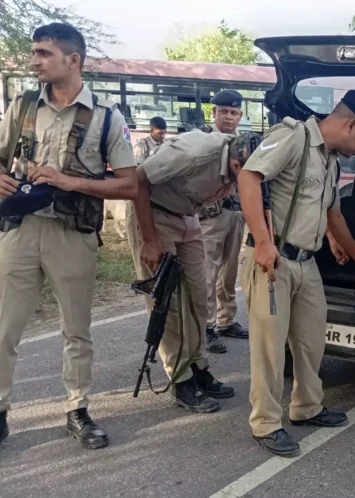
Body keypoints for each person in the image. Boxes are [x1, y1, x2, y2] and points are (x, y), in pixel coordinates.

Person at [0, 23, 138, 449]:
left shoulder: (107, 117)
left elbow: (130, 186)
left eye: (43, 53)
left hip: (72, 235)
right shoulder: (22, 106)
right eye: (34, 53)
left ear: (72, 60)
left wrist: (70, 182)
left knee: (76, 330)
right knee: (4, 328)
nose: (34, 61)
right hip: (21, 230)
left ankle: (77, 410)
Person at [238, 90, 355, 457]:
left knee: (311, 340)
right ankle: (266, 423)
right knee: (270, 348)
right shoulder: (293, 138)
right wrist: (262, 240)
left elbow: (334, 213)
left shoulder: (330, 159)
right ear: (349, 124)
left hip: (307, 263)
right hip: (273, 262)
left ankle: (306, 407)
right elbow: (249, 178)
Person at [126, 130, 250, 413]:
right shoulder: (195, 153)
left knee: (198, 296)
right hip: (154, 215)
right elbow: (138, 182)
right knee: (166, 303)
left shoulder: (239, 163)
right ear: (235, 165)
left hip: (187, 217)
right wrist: (150, 240)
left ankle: (198, 367)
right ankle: (181, 380)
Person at [198, 90, 248, 356]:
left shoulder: (242, 141)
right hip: (210, 216)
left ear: (240, 115)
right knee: (207, 273)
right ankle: (205, 327)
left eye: (234, 112)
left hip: (235, 213)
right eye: (224, 112)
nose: (229, 116)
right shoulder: (203, 141)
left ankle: (225, 320)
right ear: (214, 113)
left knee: (229, 272)